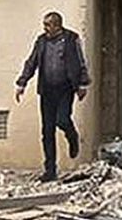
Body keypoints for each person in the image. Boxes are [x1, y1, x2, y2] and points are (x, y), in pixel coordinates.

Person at [15, 11, 90, 182]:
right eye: (44, 25)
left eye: (48, 25)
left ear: (57, 25)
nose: (45, 28)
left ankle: (72, 137)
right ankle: (50, 170)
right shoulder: (41, 41)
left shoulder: (71, 38)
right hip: (47, 91)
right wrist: (22, 83)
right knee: (47, 131)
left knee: (62, 120)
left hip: (65, 89)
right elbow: (31, 62)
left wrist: (82, 84)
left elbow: (80, 61)